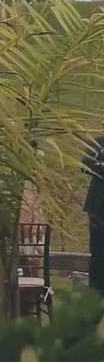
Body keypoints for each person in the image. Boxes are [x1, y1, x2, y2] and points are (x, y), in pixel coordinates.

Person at [83, 122, 104, 291]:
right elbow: (85, 166)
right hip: (98, 205)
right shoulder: (97, 143)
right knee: (97, 251)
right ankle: (95, 290)